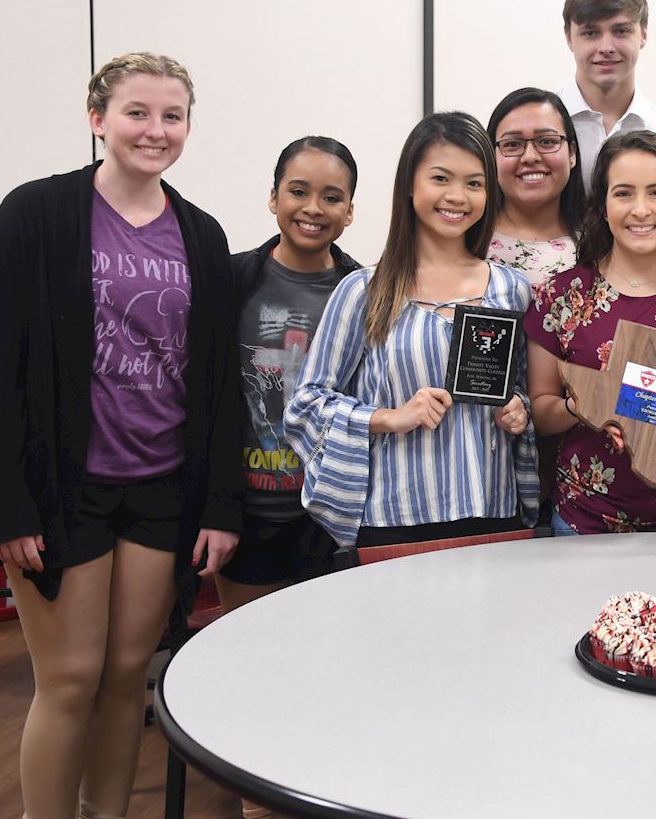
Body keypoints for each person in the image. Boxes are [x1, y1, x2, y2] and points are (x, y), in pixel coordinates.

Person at [0, 52, 241, 819]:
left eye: (172, 116)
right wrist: (12, 505)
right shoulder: (35, 215)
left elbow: (217, 382)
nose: (156, 130)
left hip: (160, 486)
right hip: (65, 488)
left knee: (127, 677)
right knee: (68, 678)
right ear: (98, 119)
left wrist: (219, 503)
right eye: (137, 112)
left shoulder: (201, 233)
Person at [285, 112, 538, 548]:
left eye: (474, 184)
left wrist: (519, 411)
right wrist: (389, 417)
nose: (457, 196)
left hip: (494, 514)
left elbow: (521, 391)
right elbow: (305, 406)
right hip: (395, 519)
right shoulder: (365, 291)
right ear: (410, 184)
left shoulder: (510, 290)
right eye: (441, 178)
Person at [524, 131, 656, 534]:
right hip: (582, 522)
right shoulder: (559, 297)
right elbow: (541, 410)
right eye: (623, 193)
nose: (641, 210)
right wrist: (587, 405)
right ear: (603, 207)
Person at [218, 138, 361, 635]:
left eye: (331, 197)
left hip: (327, 517)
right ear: (274, 198)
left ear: (348, 212)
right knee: (245, 651)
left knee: (323, 656)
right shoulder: (232, 280)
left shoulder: (364, 292)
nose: (313, 209)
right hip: (248, 511)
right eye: (298, 191)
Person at [557, 0, 656, 190]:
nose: (606, 48)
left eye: (621, 31)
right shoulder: (542, 128)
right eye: (591, 33)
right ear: (568, 38)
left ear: (643, 35)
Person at [485, 87, 587, 291]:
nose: (530, 157)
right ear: (491, 156)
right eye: (512, 144)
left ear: (572, 153)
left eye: (547, 141)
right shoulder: (467, 241)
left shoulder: (601, 246)